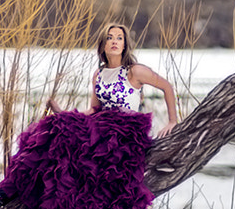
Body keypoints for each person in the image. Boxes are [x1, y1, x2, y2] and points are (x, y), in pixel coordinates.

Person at [46, 23, 179, 138]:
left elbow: (167, 87)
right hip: (102, 129)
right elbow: (93, 110)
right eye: (109, 38)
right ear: (103, 45)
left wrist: (172, 121)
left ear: (124, 45)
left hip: (127, 132)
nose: (114, 41)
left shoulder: (134, 71)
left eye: (119, 38)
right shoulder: (98, 74)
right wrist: (65, 115)